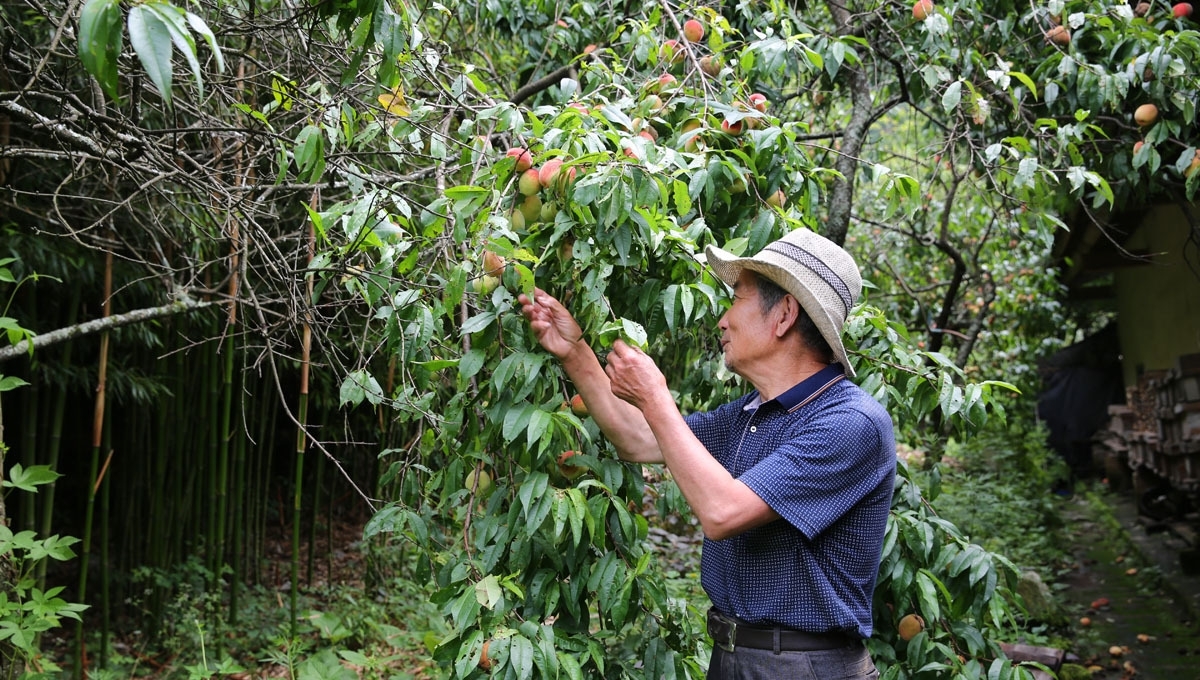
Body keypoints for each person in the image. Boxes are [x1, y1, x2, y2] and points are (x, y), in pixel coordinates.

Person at [519, 227, 896, 680]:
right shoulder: (751, 413)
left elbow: (721, 511)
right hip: (736, 657)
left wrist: (656, 396)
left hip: (806, 666)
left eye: (737, 299)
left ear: (784, 316)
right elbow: (640, 438)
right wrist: (574, 352)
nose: (722, 319)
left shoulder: (851, 423)